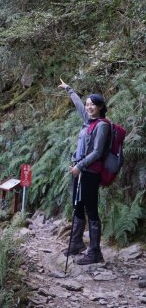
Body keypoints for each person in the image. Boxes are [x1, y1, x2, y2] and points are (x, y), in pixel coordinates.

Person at [58, 78, 110, 264]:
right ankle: (77, 243)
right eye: (88, 104)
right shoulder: (88, 121)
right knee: (77, 205)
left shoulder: (102, 125)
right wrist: (69, 89)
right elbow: (79, 104)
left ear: (100, 107)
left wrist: (79, 166)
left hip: (89, 172)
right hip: (79, 170)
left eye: (92, 105)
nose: (88, 107)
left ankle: (95, 252)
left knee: (91, 208)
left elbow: (97, 151)